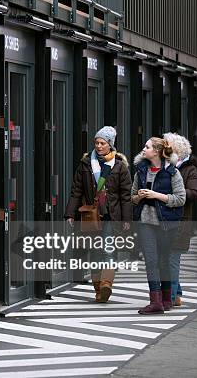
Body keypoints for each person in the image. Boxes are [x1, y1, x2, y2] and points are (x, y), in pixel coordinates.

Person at [65, 126, 131, 303]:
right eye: (97, 143)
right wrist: (70, 213)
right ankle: (98, 290)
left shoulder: (119, 166)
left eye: (103, 143)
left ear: (110, 144)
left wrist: (127, 218)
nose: (99, 146)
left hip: (111, 215)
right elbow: (76, 190)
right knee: (94, 252)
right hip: (91, 216)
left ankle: (106, 285)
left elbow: (125, 195)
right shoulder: (85, 164)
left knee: (108, 250)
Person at [132, 137, 186, 314]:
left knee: (164, 260)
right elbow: (132, 197)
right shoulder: (140, 171)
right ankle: (155, 301)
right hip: (146, 222)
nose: (143, 149)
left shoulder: (172, 172)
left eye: (146, 147)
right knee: (151, 260)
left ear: (156, 151)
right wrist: (140, 196)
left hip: (166, 223)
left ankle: (166, 300)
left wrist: (156, 195)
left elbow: (180, 199)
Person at [163, 133, 197, 306]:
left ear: (176, 150)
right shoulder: (162, 165)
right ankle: (176, 293)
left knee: (172, 259)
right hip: (162, 220)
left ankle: (169, 299)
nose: (164, 148)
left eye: (167, 145)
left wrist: (172, 196)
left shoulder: (189, 169)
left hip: (179, 221)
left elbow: (194, 192)